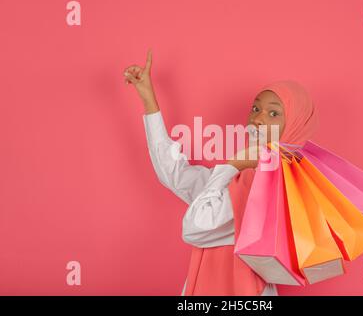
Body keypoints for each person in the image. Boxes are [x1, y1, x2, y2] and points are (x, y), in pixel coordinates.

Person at [124, 49, 319, 296]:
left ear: (294, 125)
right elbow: (174, 173)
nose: (258, 119)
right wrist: (149, 101)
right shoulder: (239, 178)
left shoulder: (275, 183)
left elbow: (196, 227)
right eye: (255, 109)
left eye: (273, 113)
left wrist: (232, 166)